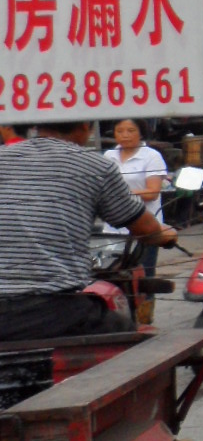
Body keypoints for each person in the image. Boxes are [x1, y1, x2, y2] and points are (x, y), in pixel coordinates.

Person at [0, 120, 177, 339]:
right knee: (136, 340)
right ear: (85, 127)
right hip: (55, 309)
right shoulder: (96, 165)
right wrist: (167, 235)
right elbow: (144, 227)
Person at [105, 119, 169, 275]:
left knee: (143, 278)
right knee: (114, 275)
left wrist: (122, 194)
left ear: (141, 133)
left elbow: (152, 193)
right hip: (113, 229)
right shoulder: (109, 155)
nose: (125, 135)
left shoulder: (152, 156)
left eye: (130, 131)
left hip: (144, 226)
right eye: (120, 131)